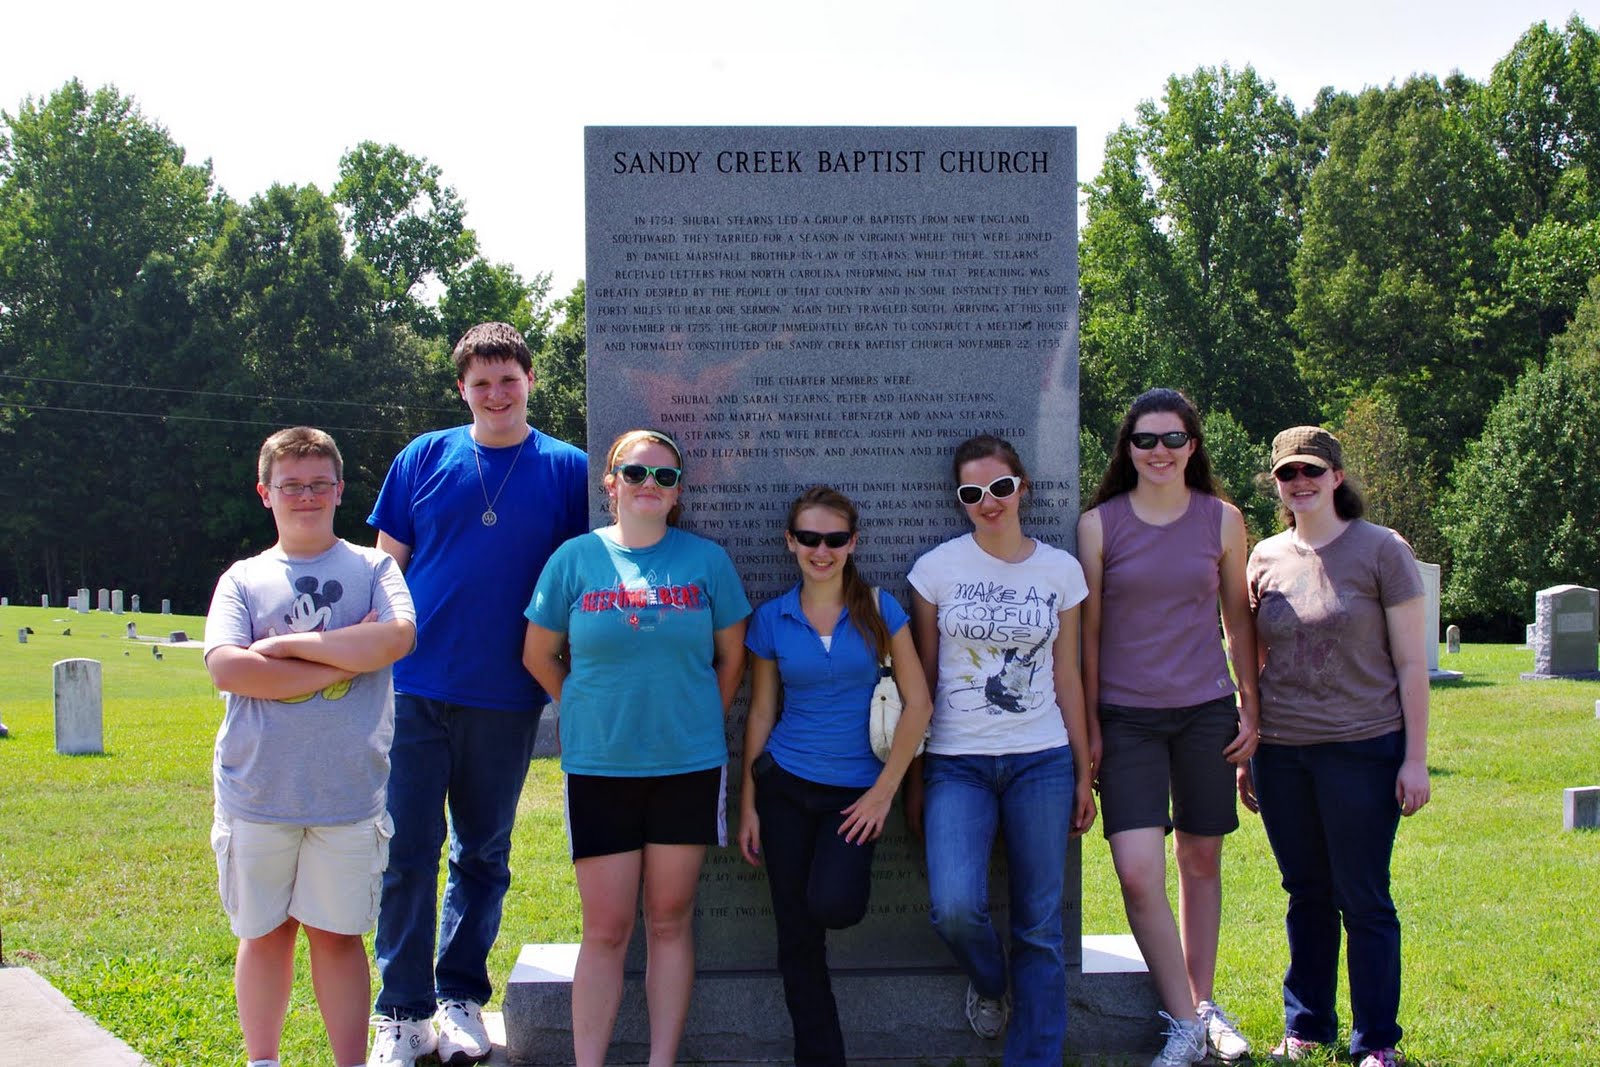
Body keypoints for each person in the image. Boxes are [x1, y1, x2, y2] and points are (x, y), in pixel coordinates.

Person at [367, 323, 588, 1066]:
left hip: (507, 691)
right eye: (481, 381)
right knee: (407, 849)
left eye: (509, 379)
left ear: (531, 381)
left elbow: (584, 577)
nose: (496, 393)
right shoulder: (423, 456)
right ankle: (401, 1009)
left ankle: (461, 994)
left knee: (484, 852)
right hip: (413, 686)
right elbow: (385, 567)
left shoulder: (567, 469)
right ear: (462, 387)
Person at [522, 429, 750, 1067]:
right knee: (606, 929)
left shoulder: (707, 561)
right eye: (637, 473)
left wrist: (699, 711)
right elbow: (538, 654)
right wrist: (586, 707)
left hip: (688, 764)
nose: (651, 485)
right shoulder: (573, 559)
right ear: (610, 482)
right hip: (600, 765)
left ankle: (661, 1061)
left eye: (665, 477)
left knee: (670, 919)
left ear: (679, 492)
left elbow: (731, 656)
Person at [203, 427, 417, 1067]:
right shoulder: (243, 579)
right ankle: (262, 1060)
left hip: (348, 794)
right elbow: (232, 671)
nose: (307, 496)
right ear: (265, 492)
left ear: (340, 490)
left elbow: (397, 640)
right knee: (266, 935)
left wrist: (285, 648)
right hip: (258, 790)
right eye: (291, 485)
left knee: (339, 936)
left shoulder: (372, 567)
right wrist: (345, 657)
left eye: (320, 483)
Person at [1077, 388, 1258, 1066]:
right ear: (1127, 448)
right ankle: (1186, 1018)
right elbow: (1089, 636)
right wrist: (1091, 725)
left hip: (1206, 711)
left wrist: (1251, 706)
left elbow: (1238, 622)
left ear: (1193, 445)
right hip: (1127, 720)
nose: (1159, 451)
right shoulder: (1100, 525)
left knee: (1201, 858)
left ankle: (1199, 1008)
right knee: (1135, 871)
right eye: (1145, 439)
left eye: (1173, 438)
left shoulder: (1223, 520)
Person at [1240, 426, 1431, 1067]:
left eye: (1312, 471)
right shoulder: (1263, 556)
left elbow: (1410, 664)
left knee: (1364, 896)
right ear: (1276, 483)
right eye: (1288, 474)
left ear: (1337, 477)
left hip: (1363, 746)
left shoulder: (1382, 550)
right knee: (1306, 891)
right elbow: (1256, 659)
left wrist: (1414, 758)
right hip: (1283, 752)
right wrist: (1252, 747)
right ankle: (1308, 1027)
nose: (1301, 483)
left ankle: (1377, 1042)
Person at [907, 434, 1097, 1067]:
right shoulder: (936, 570)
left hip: (1042, 758)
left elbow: (1069, 676)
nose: (988, 501)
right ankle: (992, 983)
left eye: (999, 487)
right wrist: (913, 776)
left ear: (1023, 489)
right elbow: (924, 683)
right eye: (972, 493)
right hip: (956, 763)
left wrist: (1081, 768)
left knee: (1040, 927)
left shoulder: (1061, 570)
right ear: (960, 502)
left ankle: (1034, 1057)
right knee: (954, 908)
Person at [737, 486, 934, 1067]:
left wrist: (883, 795)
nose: (821, 551)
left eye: (835, 539)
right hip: (784, 786)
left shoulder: (880, 609)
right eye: (809, 538)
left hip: (856, 794)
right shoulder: (772, 618)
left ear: (853, 543)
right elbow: (762, 712)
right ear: (790, 542)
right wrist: (749, 803)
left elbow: (918, 704)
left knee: (835, 904)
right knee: (796, 939)